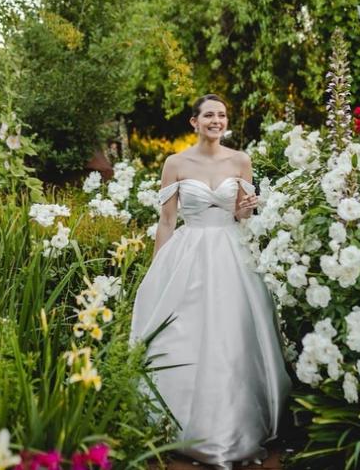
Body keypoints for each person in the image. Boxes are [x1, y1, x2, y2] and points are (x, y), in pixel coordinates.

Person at [130, 94, 292, 469]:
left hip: (233, 254)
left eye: (221, 115)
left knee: (234, 335)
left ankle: (238, 423)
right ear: (194, 122)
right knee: (186, 334)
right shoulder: (176, 163)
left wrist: (246, 211)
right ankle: (182, 423)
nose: (216, 120)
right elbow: (168, 221)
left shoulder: (241, 160)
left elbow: (243, 219)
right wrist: (158, 269)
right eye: (208, 115)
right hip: (190, 253)